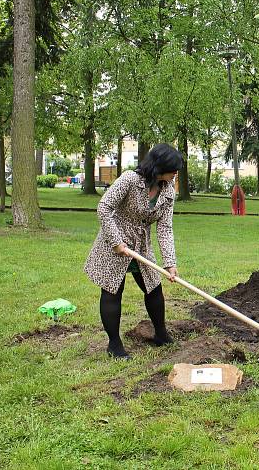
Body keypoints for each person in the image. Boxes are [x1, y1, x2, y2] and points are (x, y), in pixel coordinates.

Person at [84, 144, 182, 359]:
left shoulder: (167, 189)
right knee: (112, 290)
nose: (176, 173)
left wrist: (170, 263)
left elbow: (164, 227)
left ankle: (161, 334)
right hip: (114, 241)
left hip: (141, 244)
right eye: (173, 168)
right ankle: (114, 344)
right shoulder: (130, 179)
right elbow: (104, 208)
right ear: (159, 166)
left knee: (154, 288)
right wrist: (117, 242)